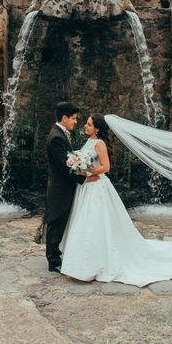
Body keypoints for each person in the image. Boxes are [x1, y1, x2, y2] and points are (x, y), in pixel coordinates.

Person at [59, 113, 172, 287]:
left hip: (97, 187)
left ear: (97, 129)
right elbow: (88, 162)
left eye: (89, 124)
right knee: (86, 222)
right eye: (86, 123)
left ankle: (93, 263)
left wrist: (88, 172)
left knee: (95, 223)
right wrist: (79, 168)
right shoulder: (89, 141)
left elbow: (106, 167)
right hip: (87, 187)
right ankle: (81, 262)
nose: (85, 126)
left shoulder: (99, 143)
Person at [45, 102, 98, 272]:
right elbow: (64, 166)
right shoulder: (56, 137)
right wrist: (84, 179)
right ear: (64, 118)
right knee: (56, 221)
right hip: (60, 188)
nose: (76, 122)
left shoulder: (61, 134)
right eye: (74, 118)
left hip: (62, 187)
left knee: (60, 222)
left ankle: (56, 256)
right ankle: (53, 261)